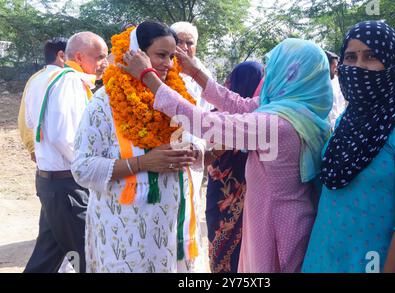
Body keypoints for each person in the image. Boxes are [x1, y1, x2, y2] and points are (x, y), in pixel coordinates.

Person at [120, 37, 333, 272]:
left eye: (273, 68)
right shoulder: (303, 111)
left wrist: (147, 76)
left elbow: (202, 122)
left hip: (274, 224)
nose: (267, 76)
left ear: (288, 73)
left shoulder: (277, 125)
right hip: (291, 215)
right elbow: (239, 103)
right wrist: (195, 73)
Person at [302, 21, 395, 273]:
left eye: (371, 56)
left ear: (391, 62)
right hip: (324, 258)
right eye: (350, 56)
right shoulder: (349, 118)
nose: (357, 66)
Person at [71, 21, 207, 273]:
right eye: (161, 55)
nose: (168, 63)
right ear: (138, 54)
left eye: (171, 56)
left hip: (173, 225)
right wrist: (142, 163)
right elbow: (82, 168)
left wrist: (194, 150)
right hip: (125, 230)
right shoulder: (105, 103)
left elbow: (199, 133)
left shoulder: (176, 96)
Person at [24, 31, 108, 273]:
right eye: (99, 56)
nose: (104, 62)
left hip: (51, 182)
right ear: (79, 57)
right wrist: (88, 167)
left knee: (46, 257)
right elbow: (65, 137)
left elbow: (31, 121)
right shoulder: (71, 81)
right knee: (90, 257)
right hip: (68, 186)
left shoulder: (40, 78)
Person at [205, 61, 263, 273]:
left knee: (224, 248)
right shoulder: (258, 120)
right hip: (240, 195)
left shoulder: (216, 114)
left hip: (219, 194)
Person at [18, 37, 67, 163]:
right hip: (59, 164)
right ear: (61, 55)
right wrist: (32, 148)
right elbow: (25, 117)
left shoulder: (36, 78)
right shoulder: (64, 80)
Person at [170, 21, 214, 111]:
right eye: (179, 42)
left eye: (189, 43)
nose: (185, 47)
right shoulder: (163, 69)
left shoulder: (205, 73)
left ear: (196, 46)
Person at [324, 50, 346, 129]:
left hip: (339, 124)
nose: (336, 69)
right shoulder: (319, 85)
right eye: (334, 66)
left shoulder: (337, 81)